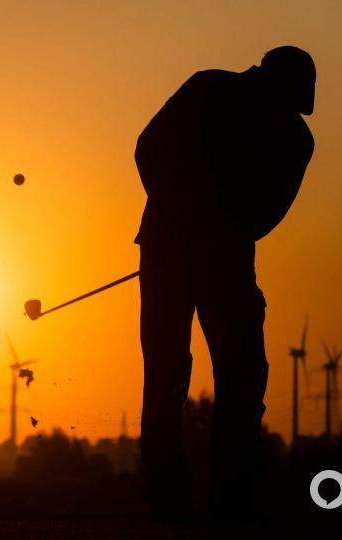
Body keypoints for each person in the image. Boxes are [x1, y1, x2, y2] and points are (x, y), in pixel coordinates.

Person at [134, 45, 316, 519]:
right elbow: (148, 150)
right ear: (267, 82)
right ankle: (165, 498)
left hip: (224, 262)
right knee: (167, 371)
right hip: (171, 253)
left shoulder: (296, 139)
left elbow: (266, 213)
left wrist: (212, 229)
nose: (287, 113)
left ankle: (230, 500)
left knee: (242, 375)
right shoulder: (207, 88)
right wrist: (182, 216)